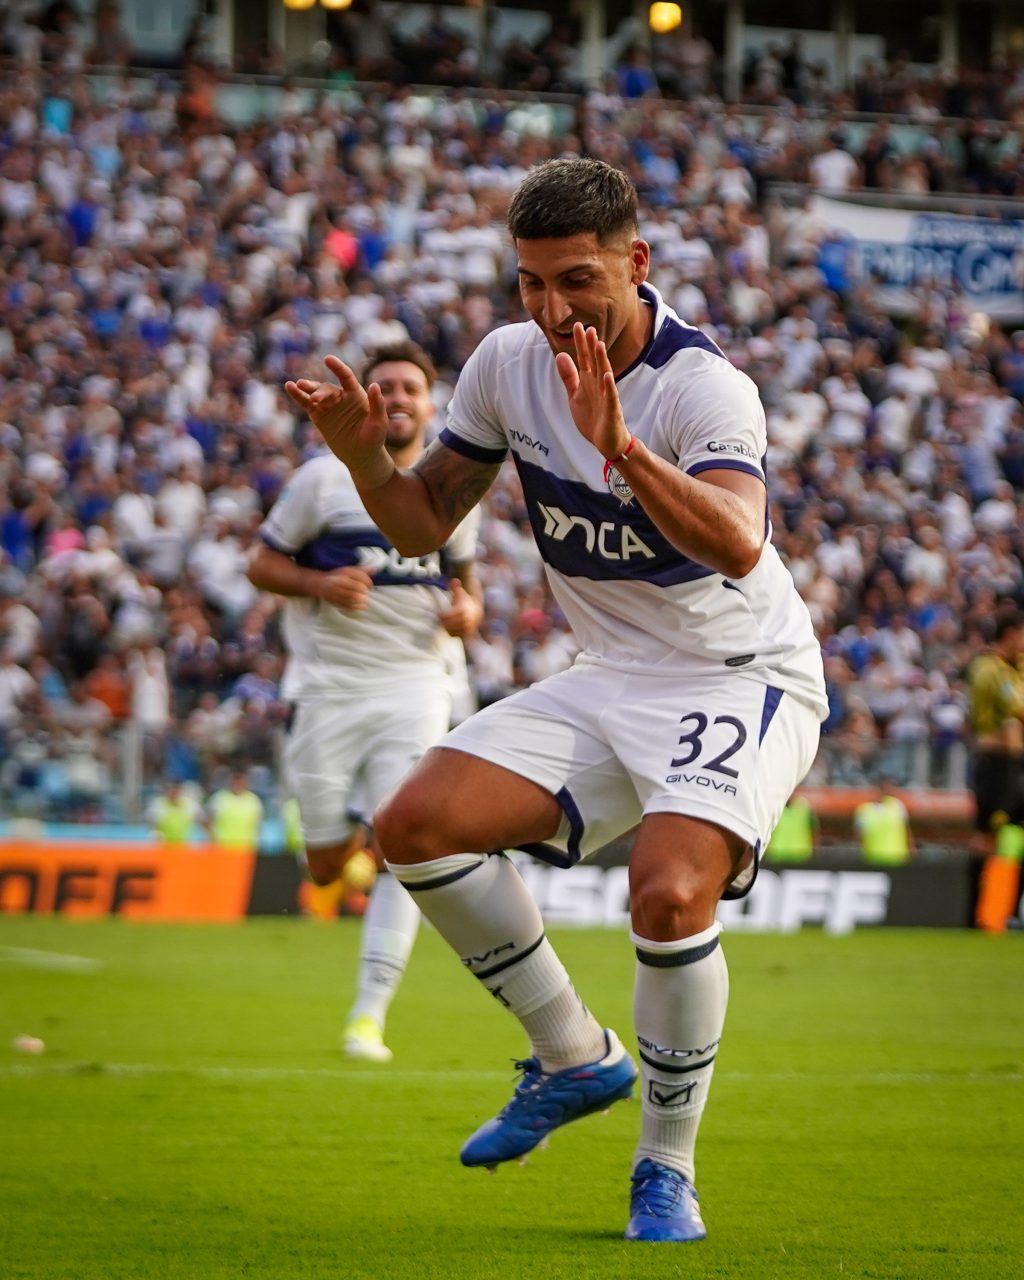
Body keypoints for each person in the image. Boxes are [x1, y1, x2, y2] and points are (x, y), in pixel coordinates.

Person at [284, 158, 826, 1243]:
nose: (551, 307)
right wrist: (362, 460)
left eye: (577, 279)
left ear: (636, 262)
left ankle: (664, 1168)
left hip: (739, 671)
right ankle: (572, 1055)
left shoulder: (703, 386)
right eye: (531, 282)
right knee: (413, 824)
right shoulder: (505, 362)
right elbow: (422, 523)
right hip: (609, 671)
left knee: (668, 896)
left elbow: (735, 542)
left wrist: (618, 445)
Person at [248, 342, 482, 1062]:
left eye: (410, 387)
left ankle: (368, 1016)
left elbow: (468, 588)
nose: (398, 397)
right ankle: (350, 840)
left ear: (431, 404)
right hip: (328, 687)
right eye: (384, 386)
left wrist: (467, 613)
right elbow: (261, 562)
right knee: (323, 868)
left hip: (417, 686)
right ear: (364, 401)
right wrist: (318, 584)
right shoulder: (321, 481)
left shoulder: (452, 485)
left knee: (407, 847)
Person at [967, 612, 1024, 931]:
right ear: (1010, 634)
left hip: (1012, 763)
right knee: (987, 837)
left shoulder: (1011, 670)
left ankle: (1004, 911)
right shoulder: (990, 669)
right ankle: (978, 914)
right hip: (996, 763)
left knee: (1007, 836)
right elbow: (1016, 708)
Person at [851, 777, 914, 865]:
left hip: (897, 858)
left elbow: (907, 831)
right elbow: (858, 836)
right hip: (873, 859)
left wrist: (911, 850)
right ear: (878, 790)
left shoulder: (897, 806)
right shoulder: (864, 811)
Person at [206, 768, 264, 850]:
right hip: (223, 847)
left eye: (241, 782)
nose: (238, 785)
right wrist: (213, 840)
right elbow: (209, 821)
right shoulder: (219, 798)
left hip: (246, 848)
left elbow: (258, 825)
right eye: (236, 782)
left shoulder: (254, 800)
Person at [764, 791, 816, 863]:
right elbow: (814, 830)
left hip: (779, 854)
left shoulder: (774, 808)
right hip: (797, 854)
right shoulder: (804, 807)